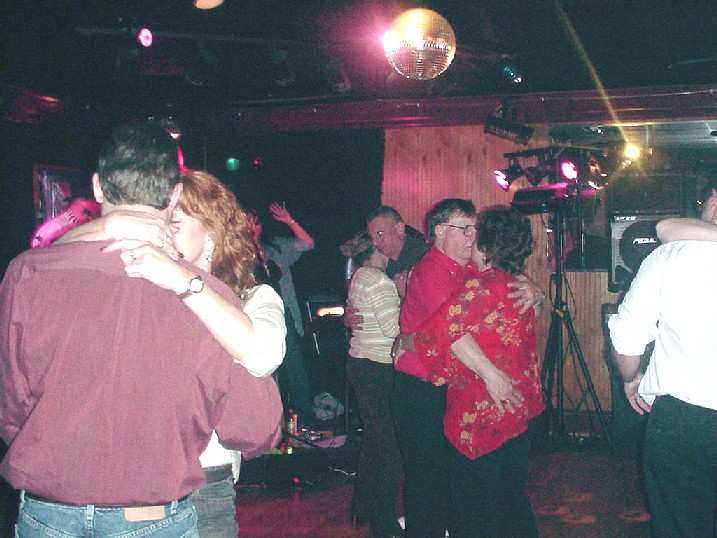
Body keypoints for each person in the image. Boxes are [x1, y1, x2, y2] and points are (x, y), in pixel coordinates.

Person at [0, 122, 283, 537]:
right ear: (173, 195)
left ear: (98, 187)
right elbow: (254, 428)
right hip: (147, 517)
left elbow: (11, 406)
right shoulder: (206, 297)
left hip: (48, 511)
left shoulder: (28, 273)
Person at [58, 168, 287, 536]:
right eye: (157, 221)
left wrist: (183, 279)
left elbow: (262, 355)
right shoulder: (139, 288)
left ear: (212, 233)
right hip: (128, 482)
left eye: (174, 224)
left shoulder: (253, 298)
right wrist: (103, 227)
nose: (160, 232)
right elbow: (47, 264)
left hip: (203, 484)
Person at [391, 198, 545, 537]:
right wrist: (491, 375)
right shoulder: (431, 271)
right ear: (440, 232)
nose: (473, 236)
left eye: (476, 229)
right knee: (431, 482)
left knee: (483, 494)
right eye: (465, 229)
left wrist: (538, 293)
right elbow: (455, 336)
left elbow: (446, 331)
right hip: (426, 391)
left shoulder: (481, 275)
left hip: (482, 399)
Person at [609, 182, 717, 538]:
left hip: (685, 421)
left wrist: (631, 378)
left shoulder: (671, 255)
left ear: (714, 200)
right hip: (684, 421)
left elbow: (626, 337)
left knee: (682, 525)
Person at [340, 231, 403, 538]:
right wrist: (405, 294)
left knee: (375, 444)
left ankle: (363, 509)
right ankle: (384, 523)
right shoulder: (379, 281)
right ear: (377, 247)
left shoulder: (362, 276)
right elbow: (394, 329)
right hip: (377, 368)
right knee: (390, 449)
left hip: (364, 365)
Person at [249, 203, 316, 426]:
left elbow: (307, 244)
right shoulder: (236, 255)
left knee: (296, 370)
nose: (252, 227)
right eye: (247, 222)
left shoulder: (275, 248)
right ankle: (269, 426)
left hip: (283, 314)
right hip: (255, 320)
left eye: (256, 222)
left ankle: (304, 423)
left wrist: (289, 221)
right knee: (265, 374)